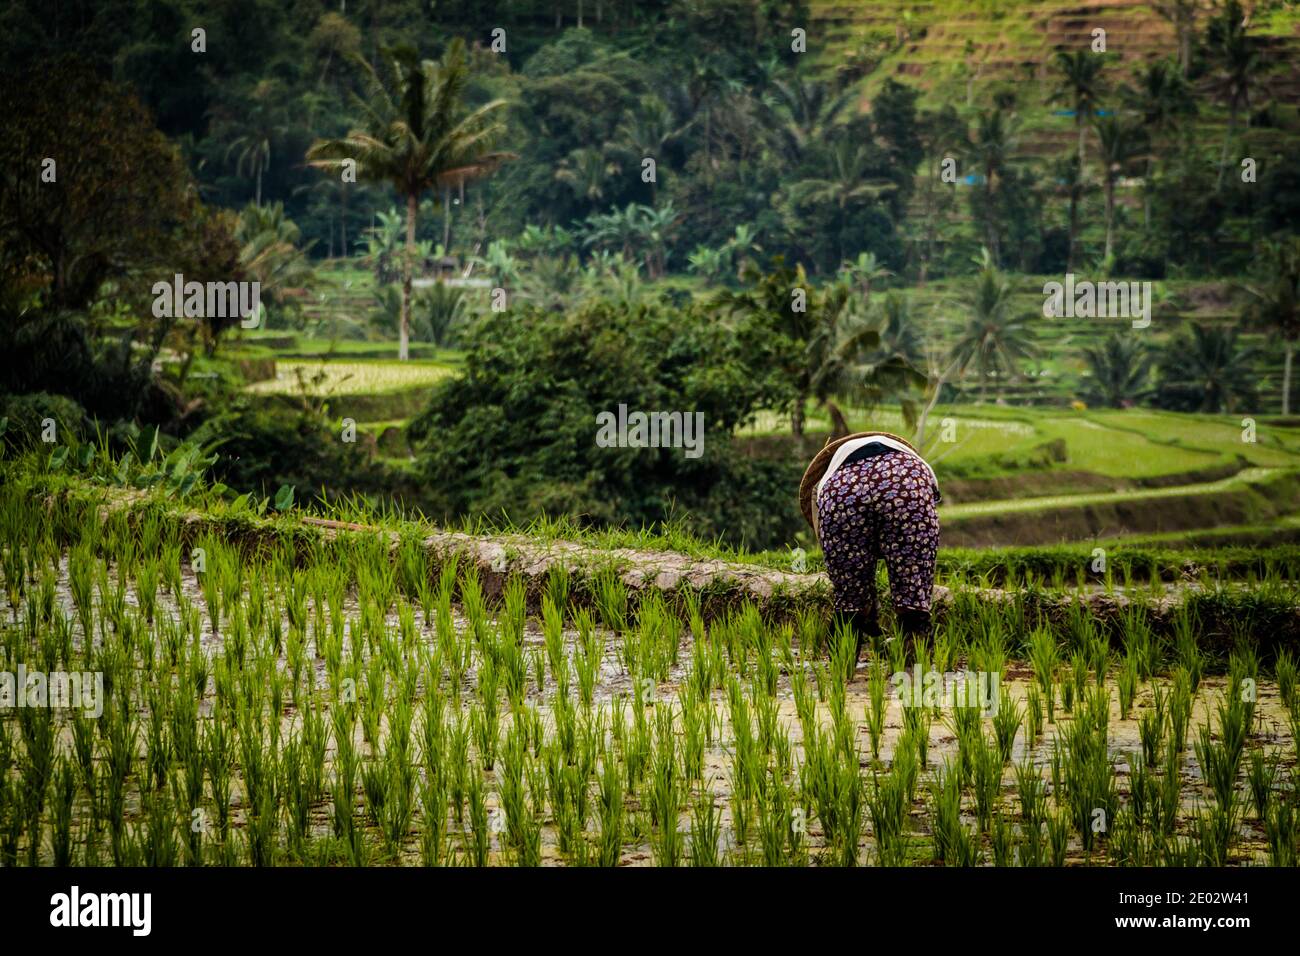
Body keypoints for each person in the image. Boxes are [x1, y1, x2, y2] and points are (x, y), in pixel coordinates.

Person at [798, 430, 941, 671]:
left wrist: (863, 598)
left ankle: (842, 669)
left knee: (849, 597)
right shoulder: (908, 462)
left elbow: (827, 535)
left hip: (843, 493)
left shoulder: (833, 475)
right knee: (913, 590)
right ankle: (915, 662)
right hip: (905, 484)